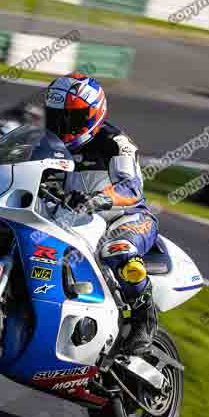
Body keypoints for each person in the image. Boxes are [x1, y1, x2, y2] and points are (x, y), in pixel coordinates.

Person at [44, 72, 158, 355]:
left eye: (71, 119)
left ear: (93, 115)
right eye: (57, 118)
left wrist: (99, 199)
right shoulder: (49, 145)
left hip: (126, 218)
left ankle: (145, 317)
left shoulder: (116, 143)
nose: (63, 126)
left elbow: (131, 189)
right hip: (77, 218)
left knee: (117, 250)